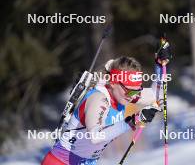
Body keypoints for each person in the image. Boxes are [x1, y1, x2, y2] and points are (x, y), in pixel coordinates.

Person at [42, 39, 171, 165]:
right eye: (129, 91)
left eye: (136, 91)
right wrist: (133, 121)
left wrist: (160, 66)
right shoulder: (99, 99)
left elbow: (157, 94)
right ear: (113, 83)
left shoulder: (123, 95)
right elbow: (95, 138)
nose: (133, 96)